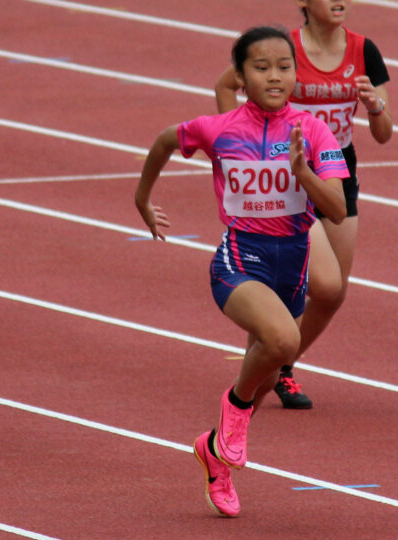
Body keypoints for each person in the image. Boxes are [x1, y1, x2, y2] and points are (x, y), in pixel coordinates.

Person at [135, 26, 348, 517]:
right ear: (239, 75)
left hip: (291, 266)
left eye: (284, 66)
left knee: (271, 368)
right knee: (283, 342)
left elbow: (335, 209)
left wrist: (304, 172)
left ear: (296, 72)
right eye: (261, 67)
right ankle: (234, 412)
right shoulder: (220, 127)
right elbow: (167, 140)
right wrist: (142, 198)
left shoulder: (313, 131)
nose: (274, 76)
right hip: (240, 258)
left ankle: (214, 451)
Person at [215, 0, 393, 409]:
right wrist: (239, 144)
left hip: (335, 172)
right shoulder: (281, 49)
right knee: (300, 280)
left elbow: (384, 133)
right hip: (286, 177)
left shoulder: (363, 50)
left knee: (332, 293)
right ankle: (263, 371)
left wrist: (375, 107)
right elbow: (226, 85)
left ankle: (279, 365)